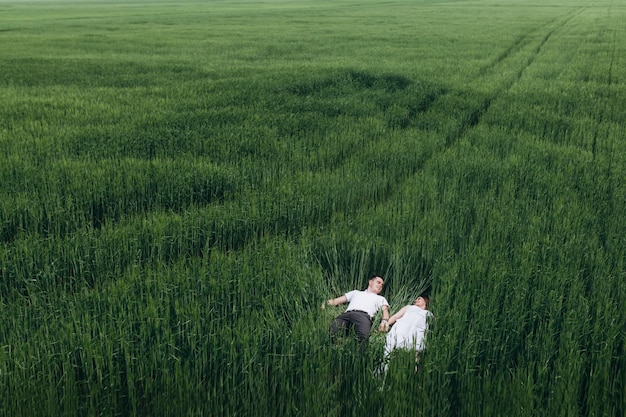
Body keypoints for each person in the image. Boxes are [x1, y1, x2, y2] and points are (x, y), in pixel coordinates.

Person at [323, 276, 390, 343]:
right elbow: (336, 301)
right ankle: (343, 343)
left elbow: (385, 310)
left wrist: (385, 320)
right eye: (378, 282)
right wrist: (325, 304)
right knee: (330, 335)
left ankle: (349, 344)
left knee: (363, 339)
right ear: (370, 282)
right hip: (346, 315)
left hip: (363, 316)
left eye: (382, 285)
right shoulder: (356, 293)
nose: (380, 285)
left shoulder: (380, 298)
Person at [382, 295, 432, 361]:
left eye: (419, 299)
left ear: (425, 301)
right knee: (392, 352)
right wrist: (386, 325)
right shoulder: (409, 307)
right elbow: (396, 316)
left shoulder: (428, 314)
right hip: (402, 329)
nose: (416, 300)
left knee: (415, 353)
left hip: (417, 333)